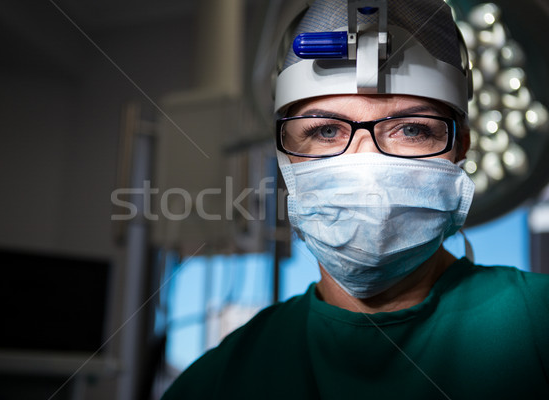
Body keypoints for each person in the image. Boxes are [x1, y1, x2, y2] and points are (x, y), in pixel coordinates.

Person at [162, 0, 549, 398]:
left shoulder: (536, 325)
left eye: (412, 130)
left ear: (459, 147)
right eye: (327, 131)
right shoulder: (220, 381)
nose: (367, 167)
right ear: (287, 157)